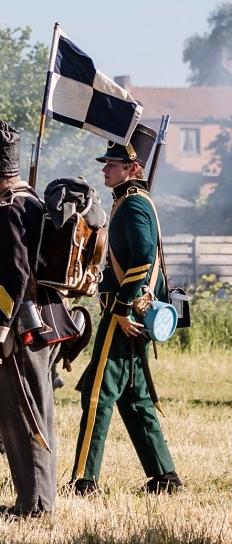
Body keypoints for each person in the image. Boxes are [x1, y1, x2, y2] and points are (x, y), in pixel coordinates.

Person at [69, 125, 182, 495]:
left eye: (113, 164)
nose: (105, 168)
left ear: (133, 169)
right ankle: (165, 476)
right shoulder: (128, 200)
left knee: (98, 393)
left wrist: (120, 307)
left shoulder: (132, 204)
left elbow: (143, 260)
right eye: (106, 163)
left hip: (127, 316)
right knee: (135, 398)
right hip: (130, 312)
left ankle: (85, 480)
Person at [0, 115, 73, 517]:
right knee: (37, 412)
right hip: (46, 321)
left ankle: (34, 505)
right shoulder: (32, 202)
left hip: (23, 329)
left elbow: (14, 280)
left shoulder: (11, 209)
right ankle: (36, 499)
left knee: (24, 417)